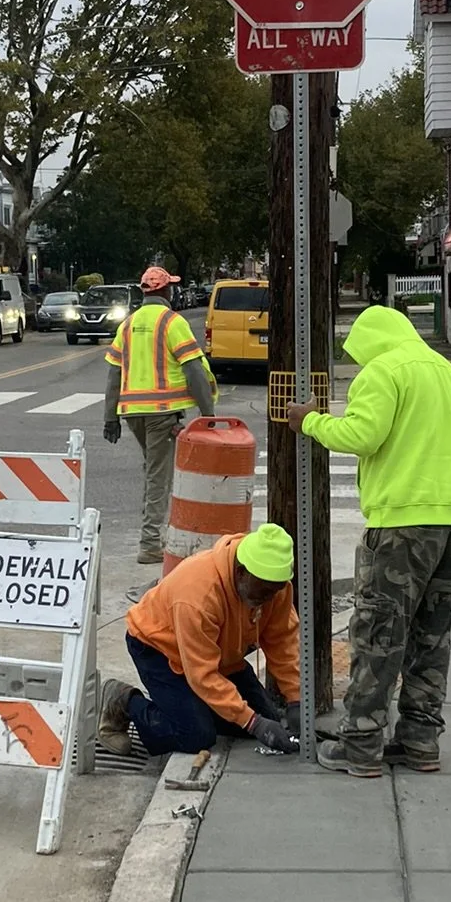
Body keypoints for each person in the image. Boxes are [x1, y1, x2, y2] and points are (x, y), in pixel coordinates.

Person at [287, 304, 451, 778]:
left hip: (399, 529)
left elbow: (363, 434)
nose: (358, 363)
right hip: (450, 528)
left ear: (373, 342)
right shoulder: (450, 376)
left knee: (378, 635)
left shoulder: (383, 371)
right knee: (430, 639)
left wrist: (309, 422)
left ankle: (361, 744)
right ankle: (420, 741)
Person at [98, 523, 301, 758]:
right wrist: (252, 722)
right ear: (241, 572)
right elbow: (202, 674)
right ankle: (124, 700)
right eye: (263, 592)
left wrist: (296, 698)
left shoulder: (275, 587)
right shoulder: (198, 595)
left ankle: (195, 706)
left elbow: (282, 642)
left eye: (274, 592)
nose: (267, 600)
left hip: (218, 656)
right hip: (159, 649)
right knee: (195, 736)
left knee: (266, 721)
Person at [104, 265, 217, 565]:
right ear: (166, 291)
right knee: (158, 476)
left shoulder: (128, 324)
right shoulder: (171, 322)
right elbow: (193, 370)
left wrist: (109, 417)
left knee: (153, 469)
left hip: (132, 413)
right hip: (161, 413)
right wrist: (209, 415)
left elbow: (114, 375)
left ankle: (153, 534)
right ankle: (150, 543)